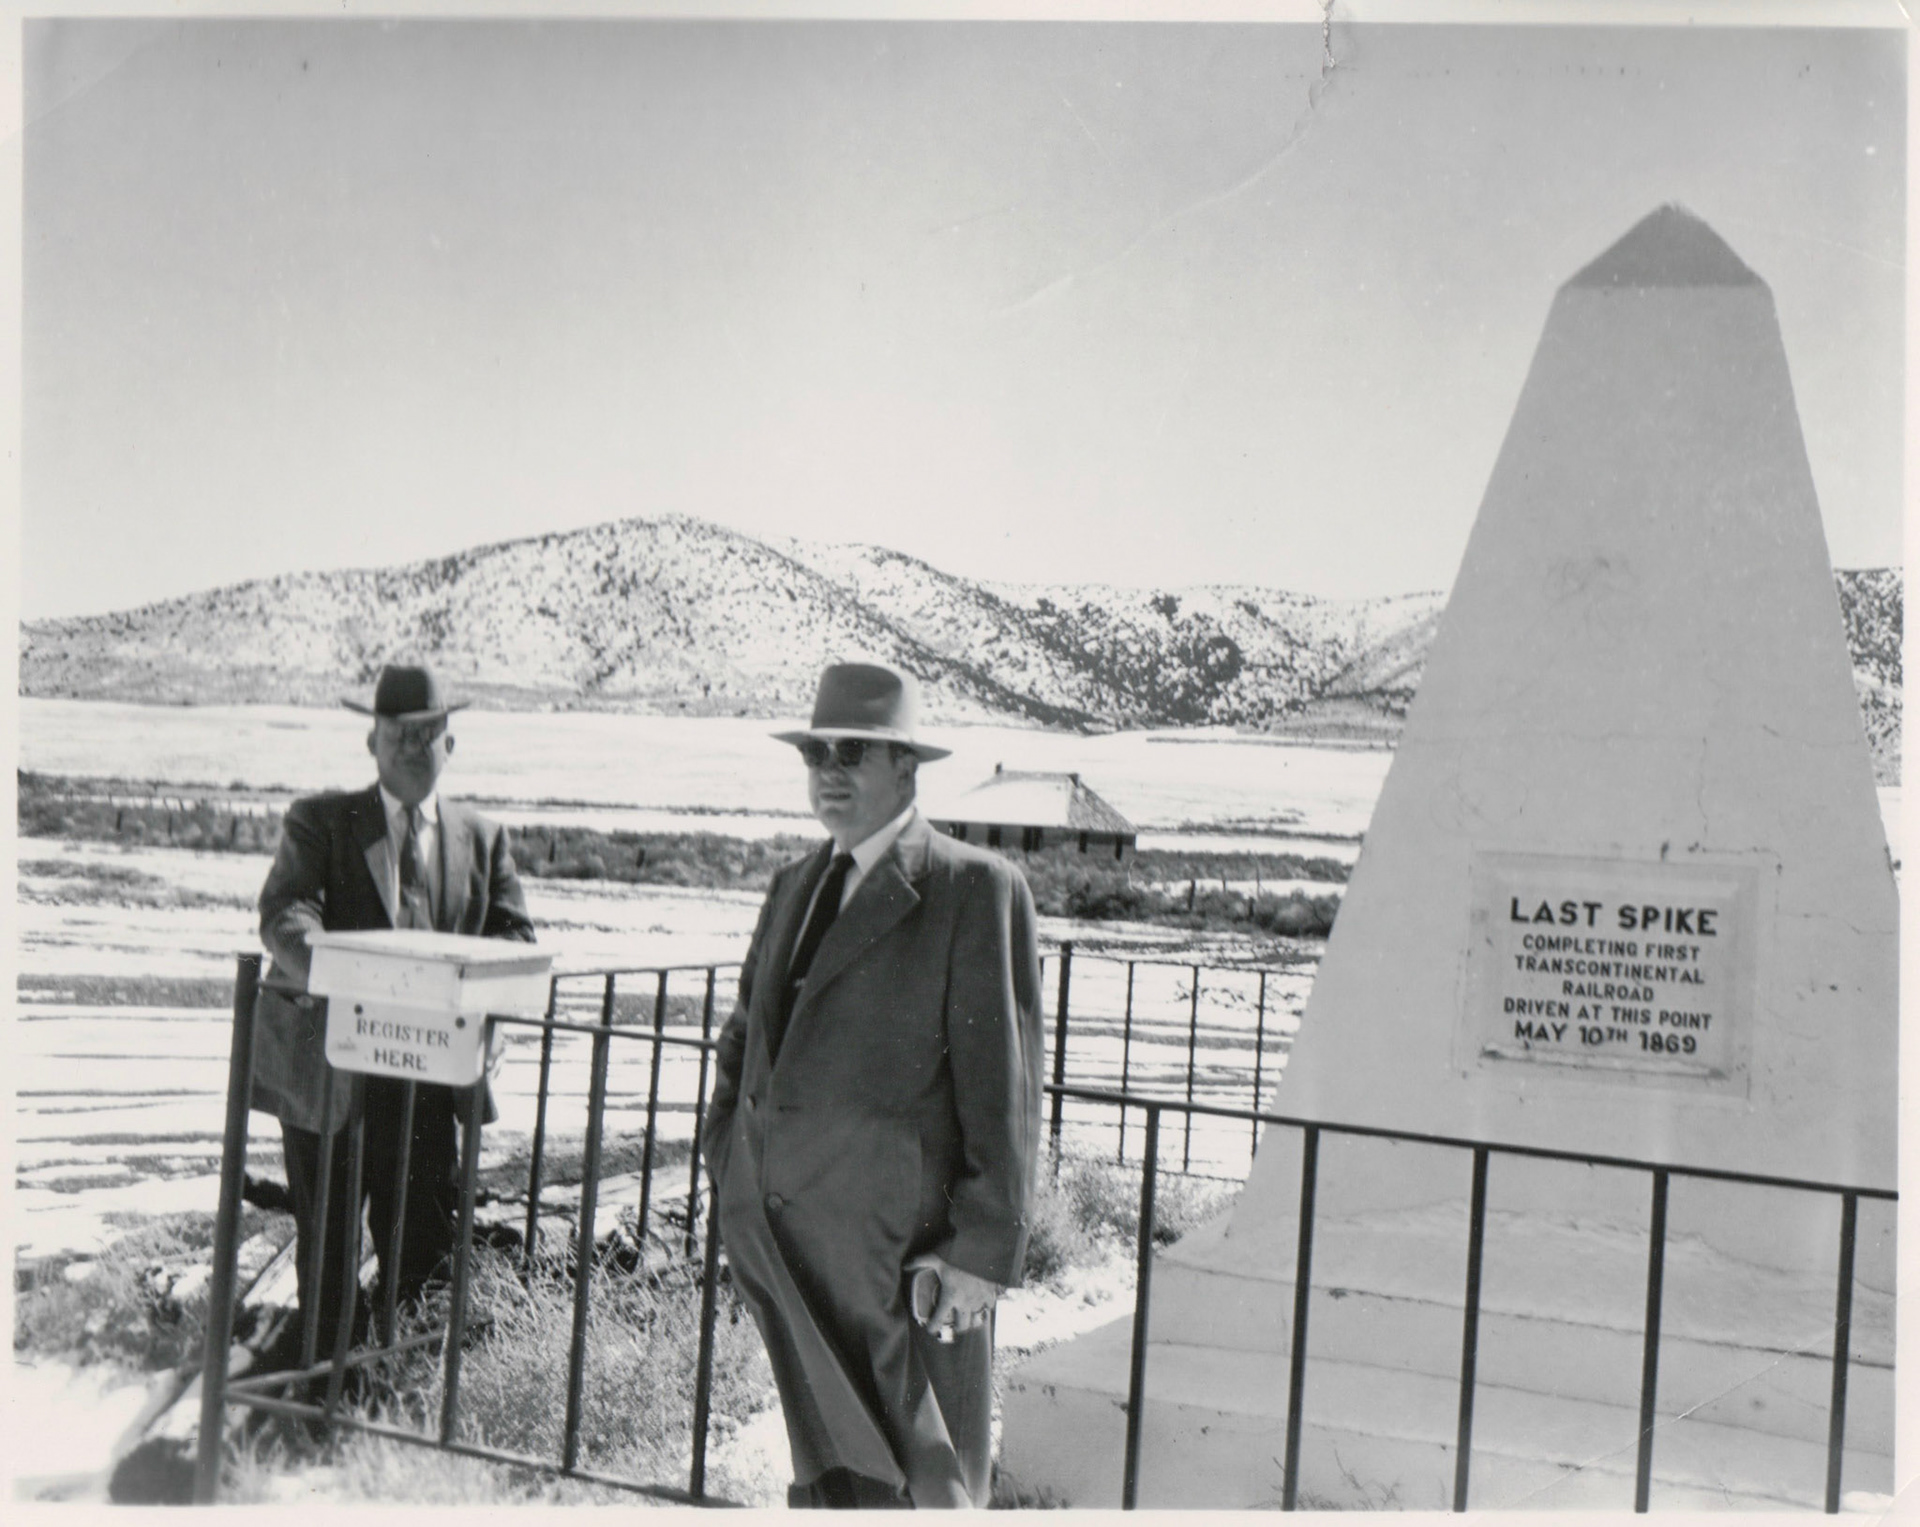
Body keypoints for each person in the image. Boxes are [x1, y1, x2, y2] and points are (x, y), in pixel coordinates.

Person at [705, 661, 1043, 1508]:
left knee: (930, 1488)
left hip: (906, 1268)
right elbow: (745, 1042)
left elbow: (1003, 1091)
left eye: (854, 751)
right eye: (816, 751)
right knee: (829, 1481)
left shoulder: (972, 888)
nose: (829, 770)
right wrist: (731, 1168)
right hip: (791, 1254)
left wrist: (980, 1255)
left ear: (907, 767)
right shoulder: (794, 886)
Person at [252, 663, 535, 1356]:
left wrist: (491, 1016)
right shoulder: (320, 821)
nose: (412, 745)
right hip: (334, 1077)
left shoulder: (484, 837)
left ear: (450, 744)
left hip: (431, 1087)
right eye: (396, 733)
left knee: (425, 1253)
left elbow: (513, 938)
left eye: (428, 732)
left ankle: (402, 1404)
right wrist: (355, 979)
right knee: (329, 1254)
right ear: (371, 743)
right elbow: (283, 915)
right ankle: (324, 1403)